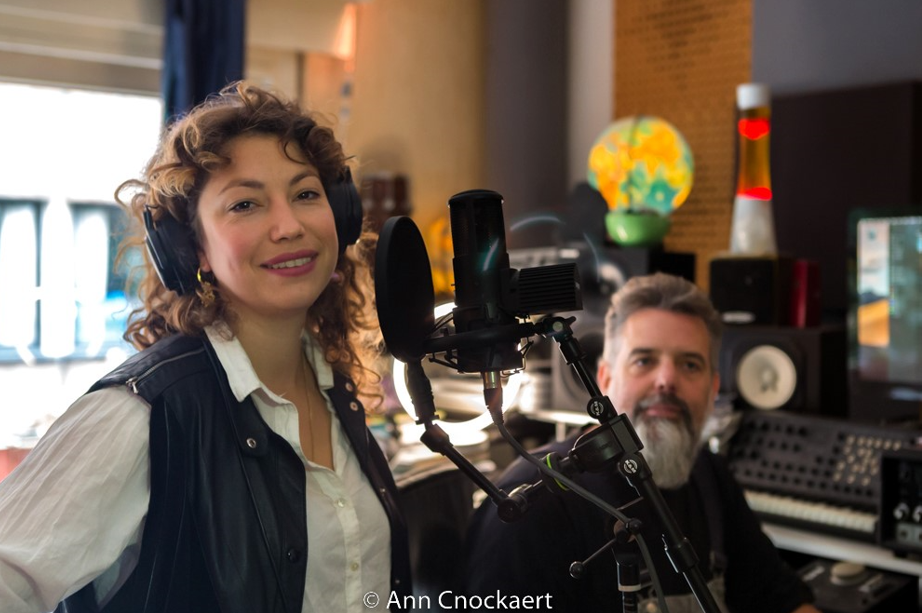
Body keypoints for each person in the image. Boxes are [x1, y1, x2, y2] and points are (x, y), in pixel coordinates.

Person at [0, 82, 411, 613]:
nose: (289, 226)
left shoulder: (335, 391)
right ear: (192, 249)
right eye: (245, 204)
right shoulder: (144, 412)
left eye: (306, 194)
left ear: (342, 216)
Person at [461, 273, 820, 613]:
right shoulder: (536, 501)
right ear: (605, 379)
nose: (666, 380)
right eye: (644, 360)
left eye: (690, 365)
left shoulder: (710, 475)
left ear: (713, 390)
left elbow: (780, 600)